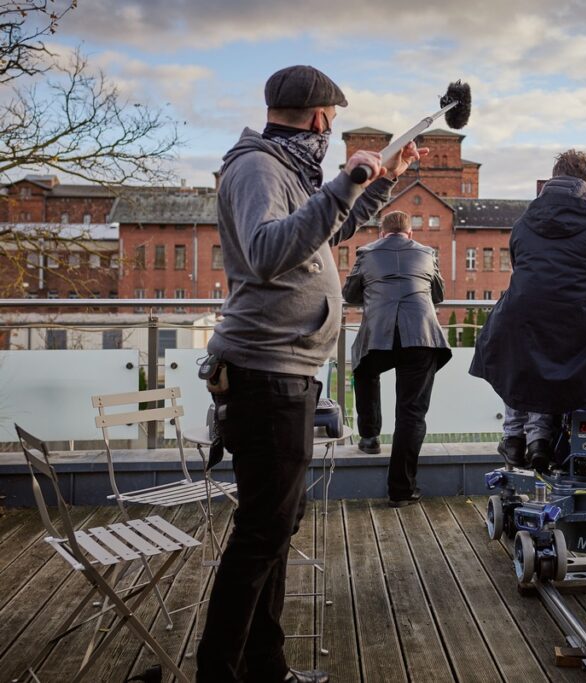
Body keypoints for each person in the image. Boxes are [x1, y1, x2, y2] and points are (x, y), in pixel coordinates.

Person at [196, 65, 425, 683]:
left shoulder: (287, 170)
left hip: (286, 373)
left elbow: (324, 233)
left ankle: (264, 668)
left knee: (274, 528)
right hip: (265, 375)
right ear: (322, 119)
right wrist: (343, 184)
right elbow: (270, 253)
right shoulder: (257, 169)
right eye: (333, 121)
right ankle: (220, 672)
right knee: (260, 537)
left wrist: (374, 188)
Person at [470, 149, 586, 471]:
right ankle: (544, 443)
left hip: (517, 326)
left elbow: (527, 273)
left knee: (527, 352)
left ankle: (519, 438)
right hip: (579, 334)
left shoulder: (524, 221)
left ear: (553, 179)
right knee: (560, 347)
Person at [342, 211, 452, 506]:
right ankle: (402, 491)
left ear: (381, 233)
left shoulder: (366, 253)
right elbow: (438, 294)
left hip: (380, 336)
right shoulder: (427, 253)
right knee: (411, 413)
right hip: (421, 337)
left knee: (364, 369)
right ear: (409, 234)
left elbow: (349, 294)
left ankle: (369, 437)